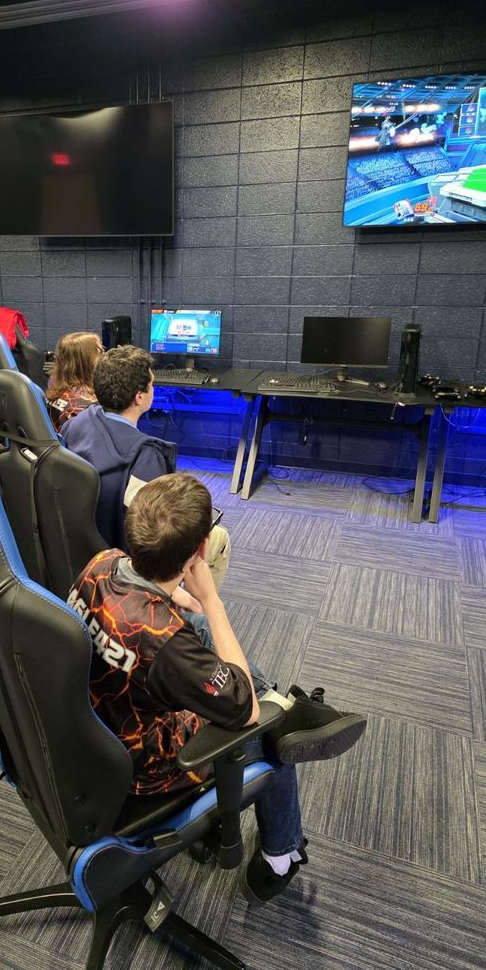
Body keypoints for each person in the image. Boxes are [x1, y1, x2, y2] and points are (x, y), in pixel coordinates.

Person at [68, 473, 367, 902]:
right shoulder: (167, 644)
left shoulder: (101, 562)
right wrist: (211, 599)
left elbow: (139, 623)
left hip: (95, 717)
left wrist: (182, 604)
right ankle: (283, 854)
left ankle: (285, 699)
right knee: (268, 729)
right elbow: (242, 707)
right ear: (200, 550)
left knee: (200, 628)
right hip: (142, 764)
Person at [62, 344, 230, 589]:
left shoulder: (77, 422)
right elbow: (152, 539)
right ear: (139, 397)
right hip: (123, 570)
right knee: (220, 538)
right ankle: (191, 615)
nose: (153, 389)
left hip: (83, 551)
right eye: (151, 384)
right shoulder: (144, 460)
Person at [46, 331, 103, 432]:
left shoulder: (54, 383)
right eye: (100, 352)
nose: (104, 357)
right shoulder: (88, 405)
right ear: (85, 361)